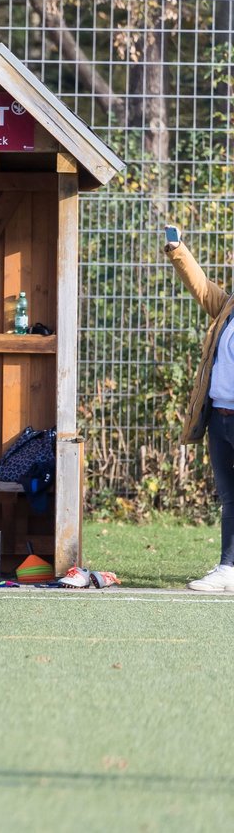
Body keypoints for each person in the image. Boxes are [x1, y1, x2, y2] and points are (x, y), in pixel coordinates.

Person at [165, 226, 234, 592]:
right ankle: (228, 568)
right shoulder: (228, 308)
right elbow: (202, 286)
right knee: (229, 498)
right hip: (219, 420)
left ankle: (228, 567)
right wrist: (177, 249)